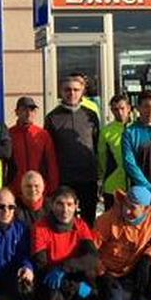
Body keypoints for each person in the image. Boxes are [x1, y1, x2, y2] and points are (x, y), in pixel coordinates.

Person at [93, 186, 151, 300]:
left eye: (133, 207)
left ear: (146, 209)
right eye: (125, 204)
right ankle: (95, 297)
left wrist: (147, 258)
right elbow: (91, 251)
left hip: (133, 267)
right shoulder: (107, 219)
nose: (127, 211)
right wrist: (102, 273)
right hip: (108, 272)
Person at [31, 187, 100, 300]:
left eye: (69, 204)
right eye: (60, 204)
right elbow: (40, 263)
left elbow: (93, 257)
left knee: (90, 280)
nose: (65, 210)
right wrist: (68, 282)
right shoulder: (41, 227)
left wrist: (64, 268)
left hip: (68, 272)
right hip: (51, 276)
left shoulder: (80, 225)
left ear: (76, 206)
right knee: (49, 286)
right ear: (51, 205)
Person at [46, 75, 100, 225]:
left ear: (82, 91)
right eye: (67, 90)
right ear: (61, 92)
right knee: (64, 219)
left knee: (88, 219)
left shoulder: (90, 116)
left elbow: (96, 145)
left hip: (88, 177)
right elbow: (49, 151)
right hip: (65, 178)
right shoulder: (52, 118)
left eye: (76, 90)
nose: (72, 93)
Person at [9, 96, 59, 197]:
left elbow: (51, 164)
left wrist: (52, 190)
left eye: (32, 110)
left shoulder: (42, 135)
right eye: (24, 110)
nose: (28, 113)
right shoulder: (9, 134)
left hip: (39, 190)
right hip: (16, 191)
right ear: (17, 112)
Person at [98, 94, 131, 210]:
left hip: (135, 185)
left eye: (122, 108)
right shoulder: (106, 131)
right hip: (113, 184)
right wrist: (102, 179)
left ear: (128, 108)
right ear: (111, 110)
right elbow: (102, 158)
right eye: (115, 109)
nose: (120, 112)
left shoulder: (136, 128)